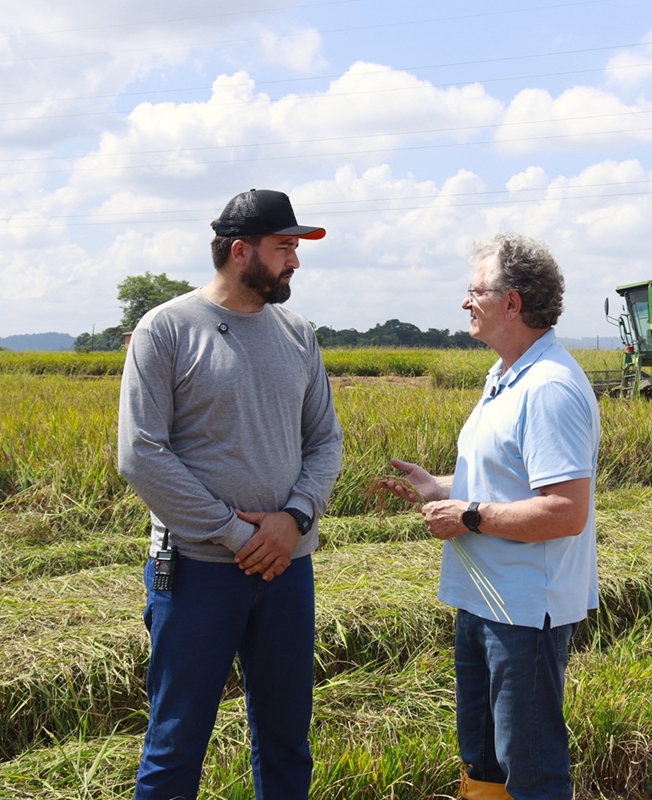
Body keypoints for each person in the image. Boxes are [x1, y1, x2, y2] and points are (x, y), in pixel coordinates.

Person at [118, 188, 344, 800]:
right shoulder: (166, 330)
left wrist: (294, 519)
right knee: (176, 742)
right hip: (197, 572)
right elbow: (141, 453)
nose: (295, 261)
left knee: (287, 740)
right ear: (240, 252)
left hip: (288, 570)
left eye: (296, 248)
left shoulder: (298, 334)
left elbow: (325, 441)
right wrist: (241, 534)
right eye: (284, 248)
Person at [375, 233, 601, 800]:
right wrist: (439, 488)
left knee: (530, 768)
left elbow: (564, 510)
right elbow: (509, 481)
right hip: (481, 600)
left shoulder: (549, 388)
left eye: (475, 291)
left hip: (523, 612)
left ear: (513, 302)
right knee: (483, 762)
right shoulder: (504, 376)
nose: (465, 302)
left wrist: (468, 515)